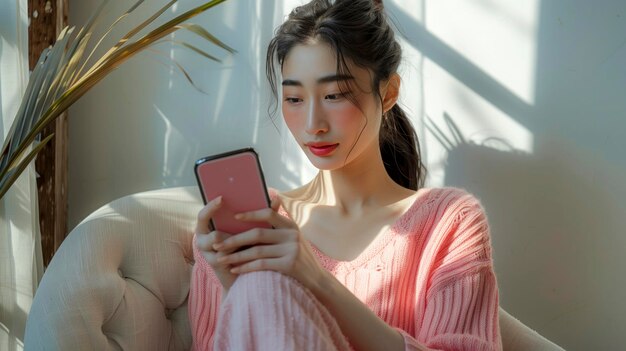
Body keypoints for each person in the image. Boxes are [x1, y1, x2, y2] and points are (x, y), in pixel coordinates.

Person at [189, 0, 502, 350]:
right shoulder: (259, 223)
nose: (313, 125)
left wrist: (316, 279)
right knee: (257, 288)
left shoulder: (449, 220)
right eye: (294, 99)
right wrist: (233, 287)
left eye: (334, 94)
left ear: (388, 93)